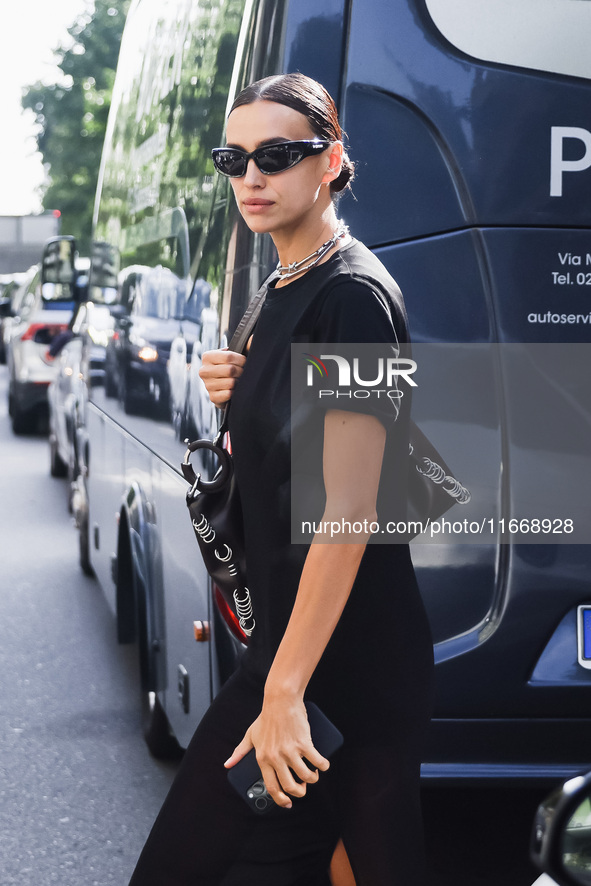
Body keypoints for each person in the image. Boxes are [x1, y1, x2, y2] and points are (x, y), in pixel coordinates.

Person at [128, 72, 433, 886]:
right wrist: (246, 379)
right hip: (303, 648)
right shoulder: (280, 285)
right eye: (235, 158)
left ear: (330, 162)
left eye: (278, 155)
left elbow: (352, 507)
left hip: (344, 665)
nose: (251, 177)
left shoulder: (355, 297)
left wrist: (283, 689)